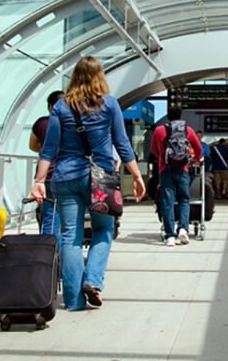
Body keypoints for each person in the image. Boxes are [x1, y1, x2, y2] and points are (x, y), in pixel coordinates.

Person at [31, 56, 146, 311]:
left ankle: (73, 301)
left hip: (65, 177)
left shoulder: (61, 107)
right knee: (103, 229)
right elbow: (122, 144)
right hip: (100, 178)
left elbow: (48, 149)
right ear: (100, 76)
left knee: (70, 236)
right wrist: (137, 176)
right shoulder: (110, 104)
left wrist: (39, 181)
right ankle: (92, 280)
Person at [150, 108, 203, 247]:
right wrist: (196, 160)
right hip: (183, 170)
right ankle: (183, 229)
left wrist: (162, 158)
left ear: (168, 116)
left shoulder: (159, 130)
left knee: (167, 201)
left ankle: (170, 236)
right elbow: (198, 148)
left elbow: (153, 149)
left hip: (165, 170)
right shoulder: (187, 130)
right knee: (184, 199)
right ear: (180, 116)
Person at [29, 90, 65, 235]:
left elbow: (32, 145)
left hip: (47, 175)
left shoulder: (42, 123)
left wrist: (46, 152)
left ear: (50, 106)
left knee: (50, 218)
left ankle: (49, 248)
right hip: (69, 174)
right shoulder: (73, 122)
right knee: (70, 221)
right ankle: (63, 249)